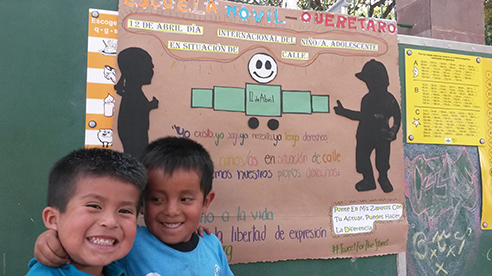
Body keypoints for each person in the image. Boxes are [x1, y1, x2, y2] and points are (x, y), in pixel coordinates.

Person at [34, 137, 234, 275]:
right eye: (157, 199)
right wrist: (53, 238)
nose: (172, 211)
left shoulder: (211, 245)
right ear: (142, 204)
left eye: (185, 199)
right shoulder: (131, 242)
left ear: (205, 202)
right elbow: (89, 248)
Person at [27, 148, 147, 275]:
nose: (110, 221)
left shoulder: (119, 268)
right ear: (53, 219)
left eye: (124, 211)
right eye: (94, 206)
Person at [334, 59, 401, 193]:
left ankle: (383, 178)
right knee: (362, 158)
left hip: (382, 135)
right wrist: (344, 112)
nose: (370, 85)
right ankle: (368, 180)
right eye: (368, 82)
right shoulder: (367, 99)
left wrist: (393, 130)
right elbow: (365, 117)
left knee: (382, 160)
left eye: (372, 82)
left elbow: (397, 116)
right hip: (365, 135)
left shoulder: (389, 99)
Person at [115, 47, 159, 160]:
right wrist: (150, 106)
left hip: (136, 132)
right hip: (134, 135)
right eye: (149, 66)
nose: (152, 70)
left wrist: (149, 106)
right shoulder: (133, 93)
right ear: (136, 70)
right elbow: (136, 110)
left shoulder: (133, 92)